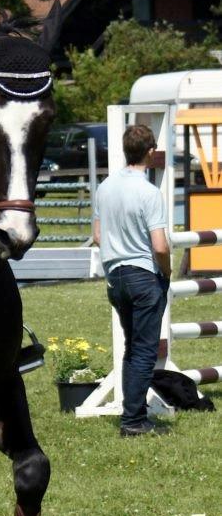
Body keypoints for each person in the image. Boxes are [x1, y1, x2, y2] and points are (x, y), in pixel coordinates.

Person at [93, 124, 171, 436]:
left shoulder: (105, 187)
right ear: (151, 152)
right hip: (142, 275)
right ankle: (134, 421)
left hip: (115, 275)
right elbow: (160, 246)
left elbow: (98, 236)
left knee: (131, 347)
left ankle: (132, 413)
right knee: (144, 351)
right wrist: (166, 272)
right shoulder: (149, 192)